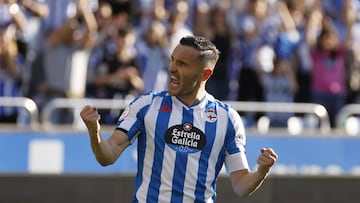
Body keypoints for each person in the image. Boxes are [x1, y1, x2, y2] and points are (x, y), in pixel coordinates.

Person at [80, 35, 278, 202]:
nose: (172, 68)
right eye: (172, 60)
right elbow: (108, 156)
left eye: (182, 64)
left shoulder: (227, 118)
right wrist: (94, 133)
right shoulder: (146, 106)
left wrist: (261, 171)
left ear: (205, 74)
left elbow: (241, 185)